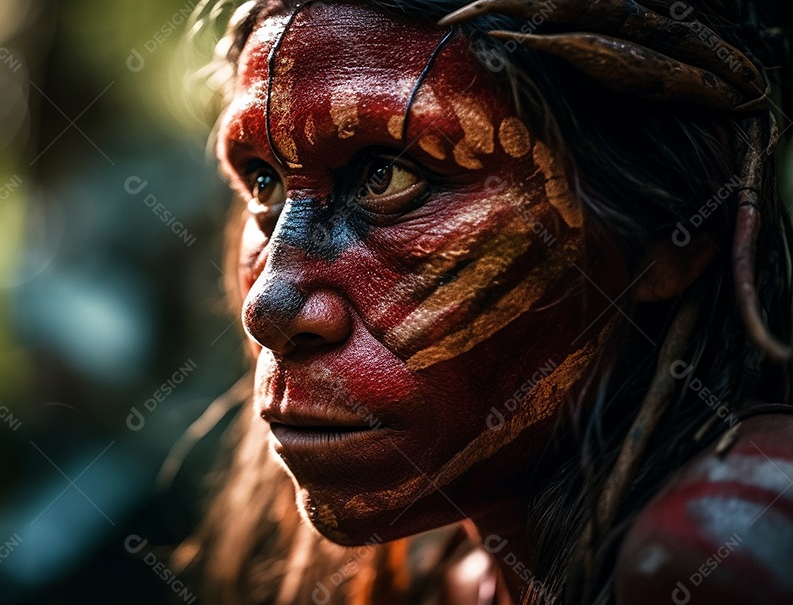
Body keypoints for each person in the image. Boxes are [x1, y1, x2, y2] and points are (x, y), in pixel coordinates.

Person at [177, 0, 793, 602]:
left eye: (386, 174)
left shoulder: (723, 541)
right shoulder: (453, 581)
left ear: (671, 229)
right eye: (266, 182)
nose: (267, 306)